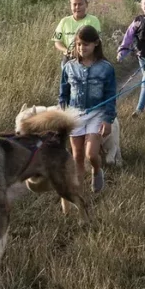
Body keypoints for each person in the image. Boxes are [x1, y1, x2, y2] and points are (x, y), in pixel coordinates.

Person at [59, 25, 116, 193]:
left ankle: (97, 170)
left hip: (97, 114)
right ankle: (80, 192)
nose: (81, 48)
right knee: (77, 155)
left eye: (85, 44)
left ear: (96, 44)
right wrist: (63, 115)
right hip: (74, 114)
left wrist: (108, 119)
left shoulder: (106, 68)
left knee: (91, 154)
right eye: (78, 44)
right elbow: (63, 94)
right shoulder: (69, 67)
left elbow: (111, 96)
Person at [116, 0, 145, 116]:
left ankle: (139, 110)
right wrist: (122, 51)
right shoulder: (137, 20)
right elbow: (128, 36)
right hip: (141, 56)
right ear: (141, 5)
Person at [53, 0, 101, 65]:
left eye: (80, 4)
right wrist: (66, 50)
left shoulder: (93, 20)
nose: (77, 7)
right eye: (74, 4)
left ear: (86, 5)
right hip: (69, 59)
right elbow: (57, 42)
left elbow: (97, 41)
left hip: (88, 59)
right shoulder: (64, 21)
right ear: (71, 6)